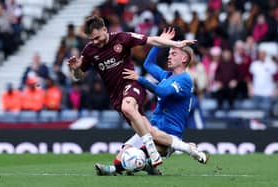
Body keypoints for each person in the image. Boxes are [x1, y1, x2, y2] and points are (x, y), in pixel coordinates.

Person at [67, 16, 197, 166]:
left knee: (128, 108)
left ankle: (153, 152)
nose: (95, 42)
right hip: (116, 96)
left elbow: (151, 40)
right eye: (92, 39)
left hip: (132, 84)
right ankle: (173, 154)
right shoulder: (89, 50)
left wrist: (176, 43)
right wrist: (75, 69)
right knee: (122, 157)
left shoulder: (122, 38)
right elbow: (78, 77)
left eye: (97, 37)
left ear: (104, 29)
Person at [94, 31, 208, 176]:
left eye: (173, 53)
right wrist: (159, 42)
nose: (169, 56)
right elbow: (148, 64)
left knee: (138, 156)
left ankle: (113, 170)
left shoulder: (185, 80)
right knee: (122, 156)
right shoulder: (167, 76)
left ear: (184, 58)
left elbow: (163, 92)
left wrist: (140, 79)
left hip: (169, 134)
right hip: (151, 128)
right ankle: (150, 166)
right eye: (169, 53)